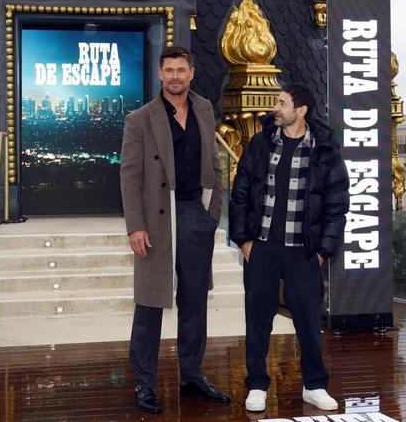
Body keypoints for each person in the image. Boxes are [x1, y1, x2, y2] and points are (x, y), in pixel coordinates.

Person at [119, 45, 231, 413]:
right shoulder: (140, 118)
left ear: (192, 73)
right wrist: (135, 225)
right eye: (169, 70)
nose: (176, 77)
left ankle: (192, 375)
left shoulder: (203, 109)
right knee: (149, 306)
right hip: (156, 222)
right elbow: (130, 175)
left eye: (182, 70)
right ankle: (144, 384)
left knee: (195, 302)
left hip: (195, 217)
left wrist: (211, 213)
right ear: (159, 74)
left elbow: (214, 163)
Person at [228, 82, 349, 413]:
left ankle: (315, 385)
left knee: (309, 322)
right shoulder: (261, 143)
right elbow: (239, 192)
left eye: (281, 103)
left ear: (301, 110)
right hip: (262, 248)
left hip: (304, 252)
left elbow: (337, 206)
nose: (275, 109)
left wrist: (323, 250)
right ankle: (256, 385)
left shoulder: (325, 150)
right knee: (258, 320)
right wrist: (244, 239)